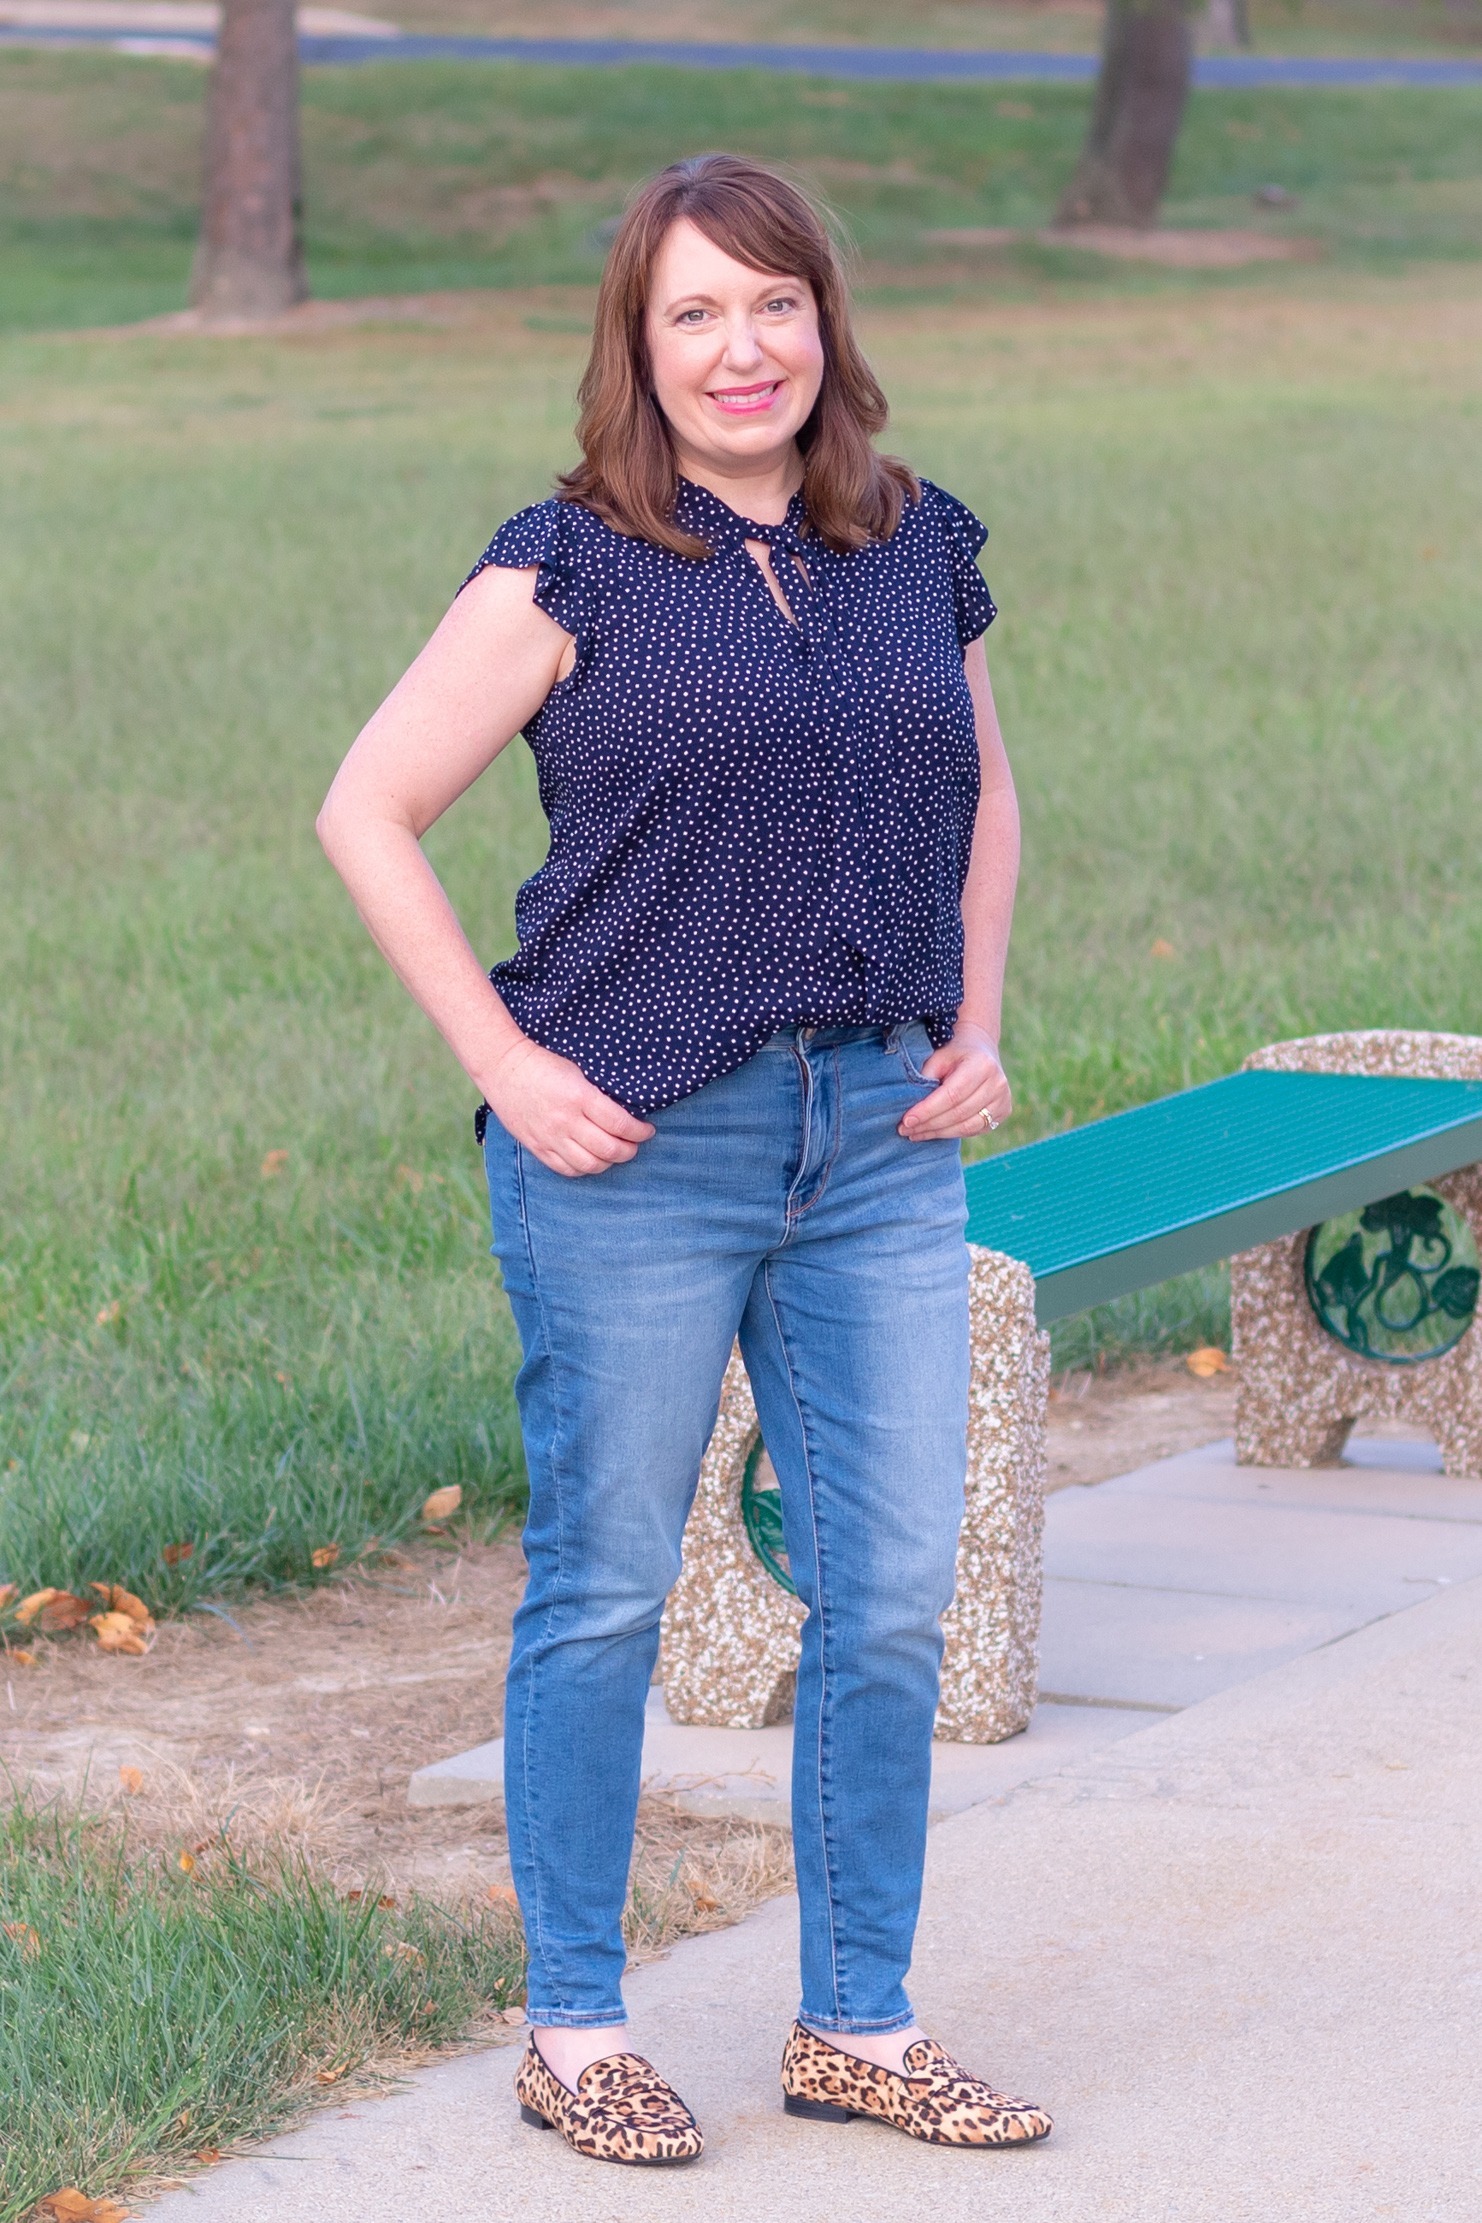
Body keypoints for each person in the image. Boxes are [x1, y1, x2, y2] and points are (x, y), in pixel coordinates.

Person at [317, 152, 1051, 2168]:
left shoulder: (915, 541)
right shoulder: (569, 562)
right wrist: (503, 1056)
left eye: (775, 305)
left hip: (884, 1138)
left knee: (893, 1586)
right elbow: (368, 806)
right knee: (606, 1587)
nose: (744, 349)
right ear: (640, 350)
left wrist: (975, 1015)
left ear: (831, 319)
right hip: (636, 1141)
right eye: (695, 316)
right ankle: (573, 2022)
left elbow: (984, 791)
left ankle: (859, 2018)